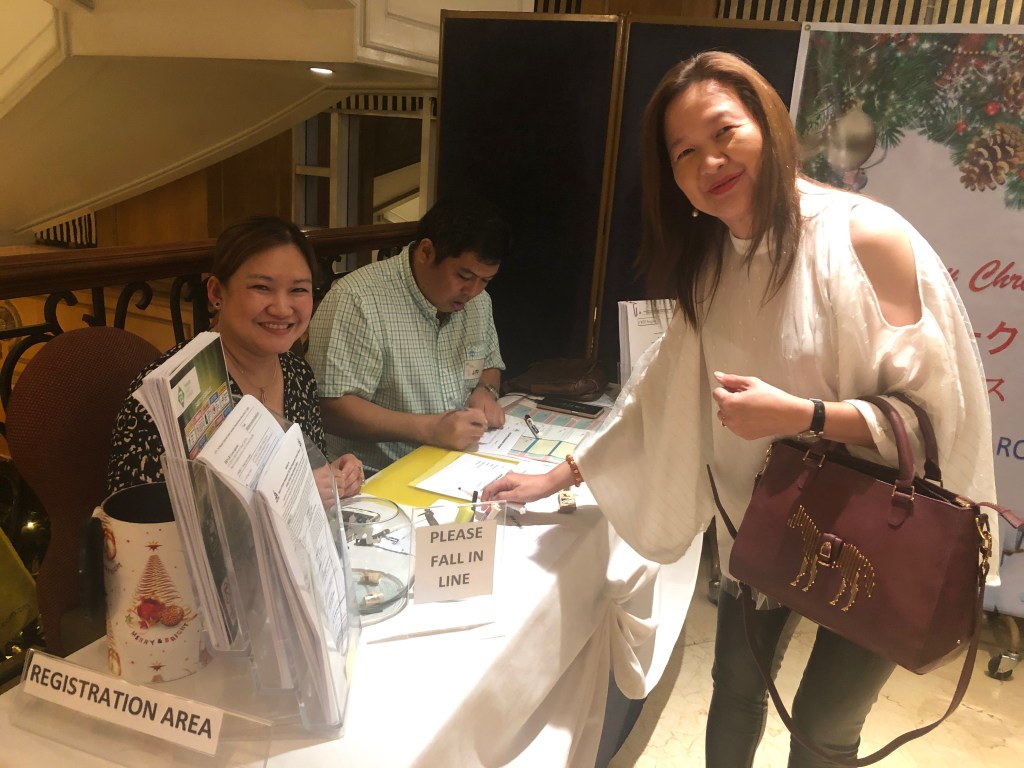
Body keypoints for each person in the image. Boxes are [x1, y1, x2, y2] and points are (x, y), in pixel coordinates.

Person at [483, 51, 999, 767]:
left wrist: (805, 416)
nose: (710, 162)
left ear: (769, 125)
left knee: (823, 726)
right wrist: (560, 473)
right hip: (770, 516)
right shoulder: (713, 265)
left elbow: (939, 421)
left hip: (884, 528)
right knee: (734, 690)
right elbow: (656, 396)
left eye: (724, 132)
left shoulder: (864, 237)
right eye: (684, 152)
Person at [107, 215, 364, 500]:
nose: (282, 308)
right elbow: (136, 515)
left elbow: (300, 472)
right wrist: (289, 495)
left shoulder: (297, 372)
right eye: (261, 287)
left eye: (298, 290)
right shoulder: (169, 392)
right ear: (217, 292)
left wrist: (331, 475)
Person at [307, 197, 510, 473]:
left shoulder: (479, 303)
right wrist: (430, 429)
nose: (473, 291)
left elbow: (490, 365)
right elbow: (331, 408)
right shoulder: (357, 299)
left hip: (456, 465)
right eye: (464, 276)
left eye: (485, 280)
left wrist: (485, 391)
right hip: (374, 474)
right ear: (426, 252)